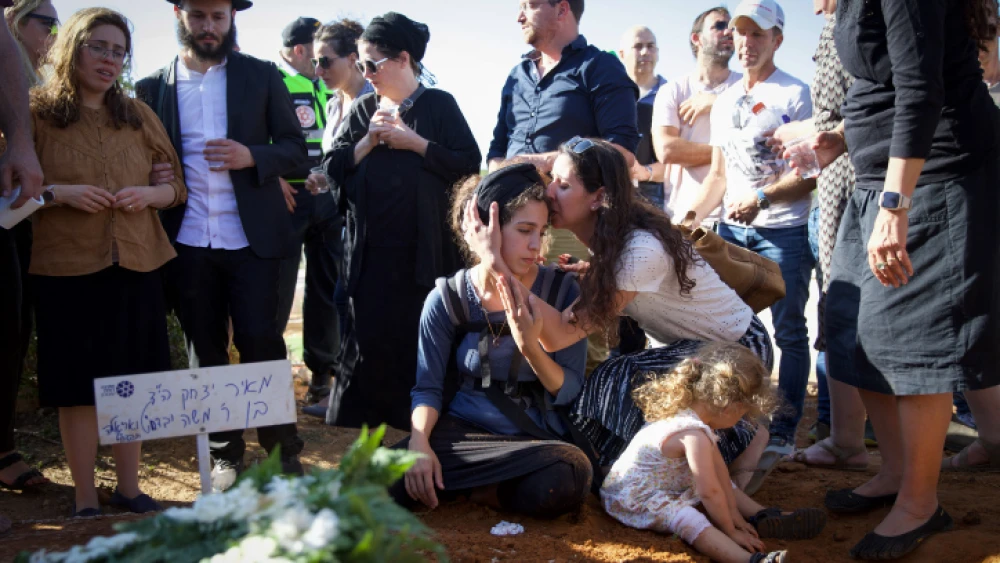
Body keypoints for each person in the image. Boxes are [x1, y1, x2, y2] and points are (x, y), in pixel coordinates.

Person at [788, 0, 1000, 558]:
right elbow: (879, 86)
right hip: (876, 175)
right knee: (850, 328)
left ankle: (920, 503)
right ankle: (896, 472)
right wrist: (842, 141)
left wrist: (896, 204)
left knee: (911, 340)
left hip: (933, 177)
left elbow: (920, 88)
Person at [464, 138, 774, 491]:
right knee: (618, 392)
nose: (549, 192)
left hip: (739, 352)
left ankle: (745, 435)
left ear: (598, 198)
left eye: (563, 186)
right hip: (697, 348)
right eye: (552, 179)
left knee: (615, 380)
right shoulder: (613, 241)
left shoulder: (640, 250)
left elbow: (558, 335)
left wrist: (494, 263)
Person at [136, 0, 308, 492]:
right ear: (178, 14)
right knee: (204, 349)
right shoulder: (151, 88)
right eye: (198, 17)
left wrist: (249, 155)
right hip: (185, 239)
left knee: (261, 340)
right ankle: (224, 456)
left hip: (251, 238)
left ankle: (282, 452)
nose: (209, 27)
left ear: (232, 18)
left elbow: (296, 148)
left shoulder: (262, 75)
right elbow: (137, 157)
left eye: (218, 17)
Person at [29, 7, 186, 517]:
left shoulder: (139, 115)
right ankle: (82, 496)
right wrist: (59, 193)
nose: (109, 60)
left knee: (129, 384)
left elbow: (175, 188)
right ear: (72, 47)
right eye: (98, 47)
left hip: (137, 266)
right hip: (66, 269)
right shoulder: (35, 114)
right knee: (77, 387)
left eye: (118, 51)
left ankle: (129, 488)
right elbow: (12, 193)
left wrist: (149, 193)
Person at [392, 164, 591, 518]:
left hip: (533, 440)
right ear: (488, 230)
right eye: (525, 230)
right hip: (464, 435)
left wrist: (531, 347)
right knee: (374, 476)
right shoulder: (449, 297)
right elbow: (427, 388)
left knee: (569, 477)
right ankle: (482, 485)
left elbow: (570, 388)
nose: (535, 245)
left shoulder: (562, 291)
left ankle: (479, 491)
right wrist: (420, 442)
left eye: (541, 231)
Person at [322, 12, 481, 430]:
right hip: (370, 259)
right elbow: (332, 167)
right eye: (360, 64)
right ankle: (372, 439)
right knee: (371, 347)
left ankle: (421, 433)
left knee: (421, 344)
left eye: (371, 64)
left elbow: (468, 164)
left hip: (424, 257)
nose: (365, 73)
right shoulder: (362, 110)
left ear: (403, 59)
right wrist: (367, 142)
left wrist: (415, 143)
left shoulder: (438, 105)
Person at [689, 0, 815, 475]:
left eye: (758, 34)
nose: (746, 42)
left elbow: (811, 174)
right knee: (731, 331)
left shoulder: (796, 93)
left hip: (784, 232)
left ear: (777, 40)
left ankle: (782, 435)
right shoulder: (724, 101)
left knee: (789, 332)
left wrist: (762, 198)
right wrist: (688, 215)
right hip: (733, 235)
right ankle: (735, 429)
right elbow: (718, 177)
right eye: (741, 33)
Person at [489, 0, 640, 374]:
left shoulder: (600, 66)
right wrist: (501, 173)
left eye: (529, 4)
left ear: (562, 10)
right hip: (512, 219)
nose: (519, 15)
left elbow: (622, 153)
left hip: (571, 224)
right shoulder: (516, 74)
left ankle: (579, 420)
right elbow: (495, 151)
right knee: (507, 316)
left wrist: (543, 163)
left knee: (577, 337)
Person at [765, 0, 869, 472]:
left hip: (858, 180)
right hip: (837, 178)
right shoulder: (838, 20)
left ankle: (854, 438)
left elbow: (878, 103)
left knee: (849, 308)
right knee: (837, 308)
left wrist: (824, 133)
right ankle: (845, 435)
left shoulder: (866, 17)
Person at [601, 343, 825, 563]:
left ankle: (761, 516)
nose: (742, 420)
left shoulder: (695, 422)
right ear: (730, 406)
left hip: (656, 488)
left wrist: (736, 518)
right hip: (632, 499)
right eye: (744, 413)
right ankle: (750, 559)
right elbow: (709, 492)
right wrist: (730, 530)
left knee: (723, 485)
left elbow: (722, 480)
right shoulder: (693, 435)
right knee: (688, 519)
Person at [0, 0, 58, 500]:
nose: (54, 34)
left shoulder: (28, 72)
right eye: (48, 23)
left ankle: (1, 447)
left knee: (12, 323)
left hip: (12, 207)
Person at [300, 17, 372, 420]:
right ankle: (346, 391)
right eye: (315, 62)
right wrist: (322, 179)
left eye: (326, 62)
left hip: (372, 223)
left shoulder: (377, 99)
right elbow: (339, 162)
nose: (318, 71)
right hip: (341, 220)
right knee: (343, 301)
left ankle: (351, 394)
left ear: (353, 57)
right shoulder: (331, 103)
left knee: (350, 301)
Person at [273, 16, 342, 410]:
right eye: (315, 57)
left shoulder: (326, 83)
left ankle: (322, 376)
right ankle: (268, 378)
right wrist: (272, 178)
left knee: (326, 288)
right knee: (278, 290)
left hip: (327, 200)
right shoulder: (272, 81)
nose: (321, 67)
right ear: (300, 50)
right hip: (287, 200)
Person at [652, 6, 739, 227]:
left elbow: (763, 144)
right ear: (696, 38)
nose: (728, 32)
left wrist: (719, 104)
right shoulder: (673, 90)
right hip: (687, 217)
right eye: (719, 26)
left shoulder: (745, 87)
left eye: (731, 27)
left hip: (739, 218)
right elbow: (668, 150)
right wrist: (729, 153)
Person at [618, 25, 666, 208]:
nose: (645, 52)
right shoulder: (610, 95)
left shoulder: (670, 95)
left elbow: (679, 160)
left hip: (658, 195)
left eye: (650, 46)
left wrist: (645, 172)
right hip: (614, 191)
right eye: (638, 46)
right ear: (622, 54)